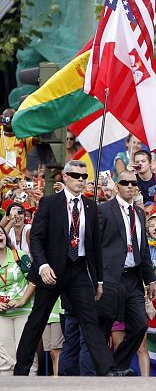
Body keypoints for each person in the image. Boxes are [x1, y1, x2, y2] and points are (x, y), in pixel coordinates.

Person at [14, 160, 125, 376]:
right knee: (37, 321)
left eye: (84, 176)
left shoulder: (91, 207)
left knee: (91, 320)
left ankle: (107, 370)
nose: (80, 180)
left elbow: (95, 248)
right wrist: (43, 265)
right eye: (75, 175)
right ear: (65, 177)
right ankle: (21, 370)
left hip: (79, 270)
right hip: (51, 271)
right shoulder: (49, 202)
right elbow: (36, 238)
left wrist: (99, 280)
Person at [97, 170, 156, 375]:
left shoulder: (140, 212)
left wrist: (150, 279)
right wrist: (98, 278)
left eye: (133, 183)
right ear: (117, 186)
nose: (130, 186)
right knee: (104, 327)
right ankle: (102, 370)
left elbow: (144, 250)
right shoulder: (104, 210)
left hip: (133, 277)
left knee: (140, 325)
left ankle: (115, 365)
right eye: (125, 182)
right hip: (111, 278)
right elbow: (95, 246)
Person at [0, 228, 35, 375]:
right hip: (2, 315)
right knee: (5, 360)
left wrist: (22, 300)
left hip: (23, 312)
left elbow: (33, 281)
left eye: (0, 233)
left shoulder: (18, 256)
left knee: (27, 354)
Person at [0, 109, 35, 178]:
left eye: (12, 118)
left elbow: (37, 139)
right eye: (6, 118)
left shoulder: (23, 135)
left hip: (20, 185)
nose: (9, 121)